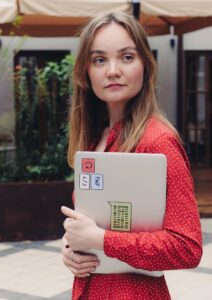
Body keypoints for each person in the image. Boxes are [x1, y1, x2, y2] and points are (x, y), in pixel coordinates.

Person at [61, 12, 202, 300]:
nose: (112, 70)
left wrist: (101, 240)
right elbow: (96, 222)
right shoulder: (95, 137)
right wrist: (72, 249)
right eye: (99, 60)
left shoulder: (158, 141)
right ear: (86, 72)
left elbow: (187, 247)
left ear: (146, 66)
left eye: (126, 57)